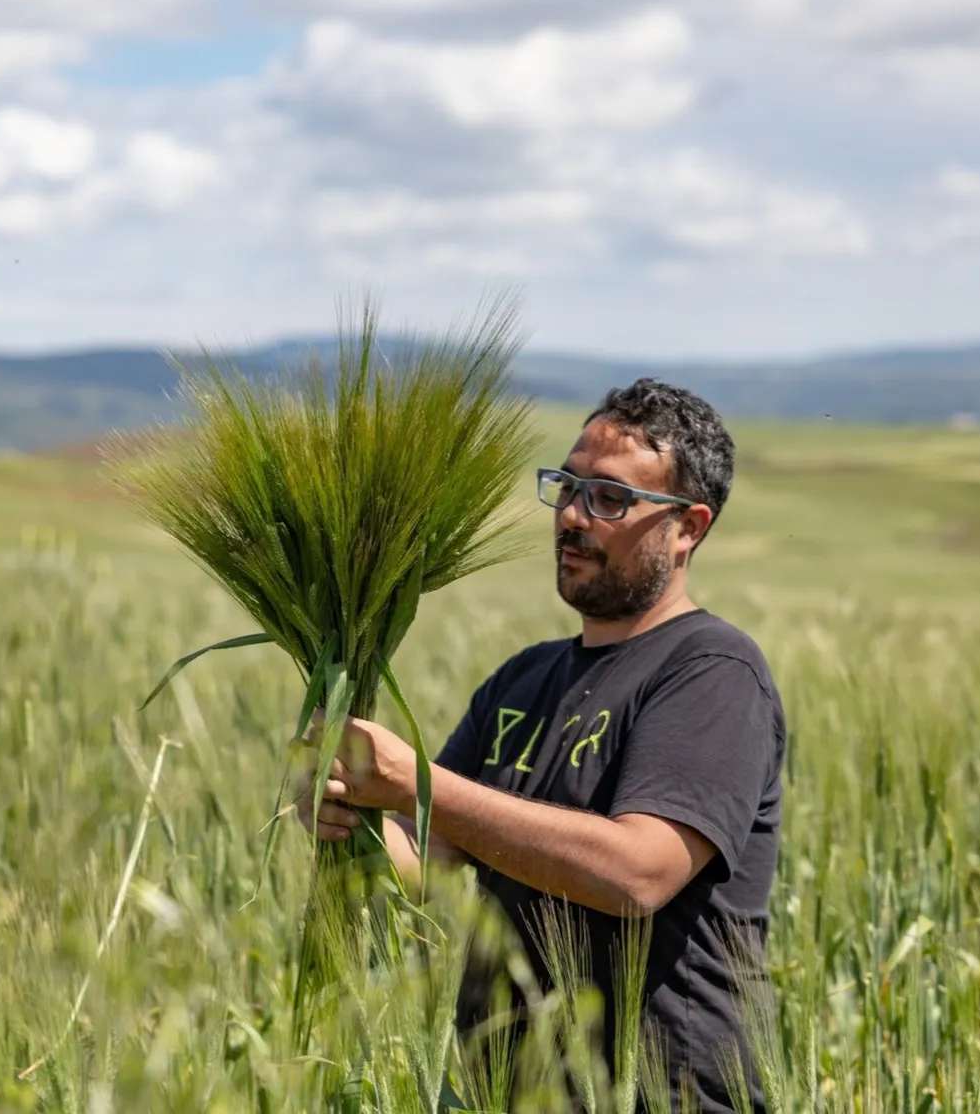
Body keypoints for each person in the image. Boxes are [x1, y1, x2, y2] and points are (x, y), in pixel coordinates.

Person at [296, 378, 786, 1111]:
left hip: (664, 1097)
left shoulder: (712, 673)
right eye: (566, 486)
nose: (573, 517)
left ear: (689, 527)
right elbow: (427, 859)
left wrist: (417, 785)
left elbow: (638, 874)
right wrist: (344, 810)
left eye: (611, 499)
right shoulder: (522, 681)